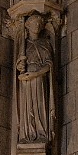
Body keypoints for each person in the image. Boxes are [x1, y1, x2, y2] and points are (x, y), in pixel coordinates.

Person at [16, 13, 54, 143]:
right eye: (34, 23)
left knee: (39, 105)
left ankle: (41, 132)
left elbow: (49, 64)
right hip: (26, 78)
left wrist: (37, 74)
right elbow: (18, 65)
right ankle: (27, 133)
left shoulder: (45, 43)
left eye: (39, 24)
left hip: (39, 77)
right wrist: (20, 65)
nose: (37, 26)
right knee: (27, 107)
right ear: (27, 25)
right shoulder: (23, 45)